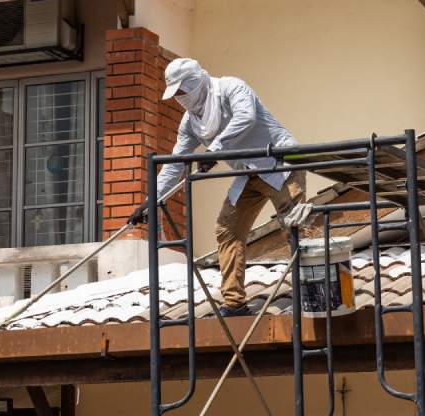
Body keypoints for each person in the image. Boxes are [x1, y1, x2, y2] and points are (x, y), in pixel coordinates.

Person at [128, 58, 304, 317]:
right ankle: (234, 303)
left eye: (181, 91)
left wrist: (214, 150)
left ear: (195, 82)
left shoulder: (231, 88)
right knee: (227, 229)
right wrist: (150, 200)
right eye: (175, 94)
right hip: (249, 174)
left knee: (295, 224)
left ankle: (312, 288)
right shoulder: (190, 123)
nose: (180, 98)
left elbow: (246, 117)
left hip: (279, 163)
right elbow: (176, 164)